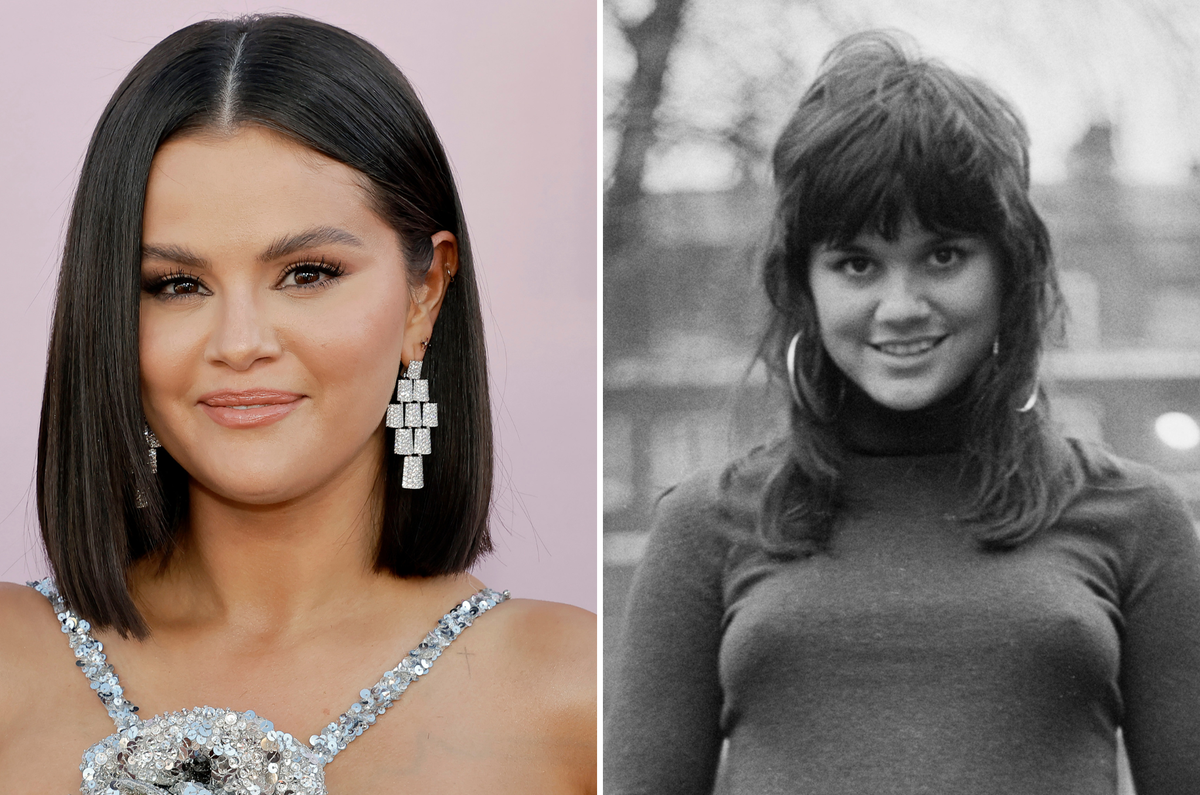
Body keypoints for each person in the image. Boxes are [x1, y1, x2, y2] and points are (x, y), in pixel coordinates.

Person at [0, 15, 595, 795]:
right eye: (177, 285)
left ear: (426, 292)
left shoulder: (571, 694)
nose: (240, 341)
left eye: (308, 272)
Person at [606, 32, 1200, 795]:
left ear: (1008, 268)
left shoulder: (1135, 517)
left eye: (943, 256)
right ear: (805, 286)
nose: (901, 307)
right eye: (857, 263)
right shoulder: (705, 525)